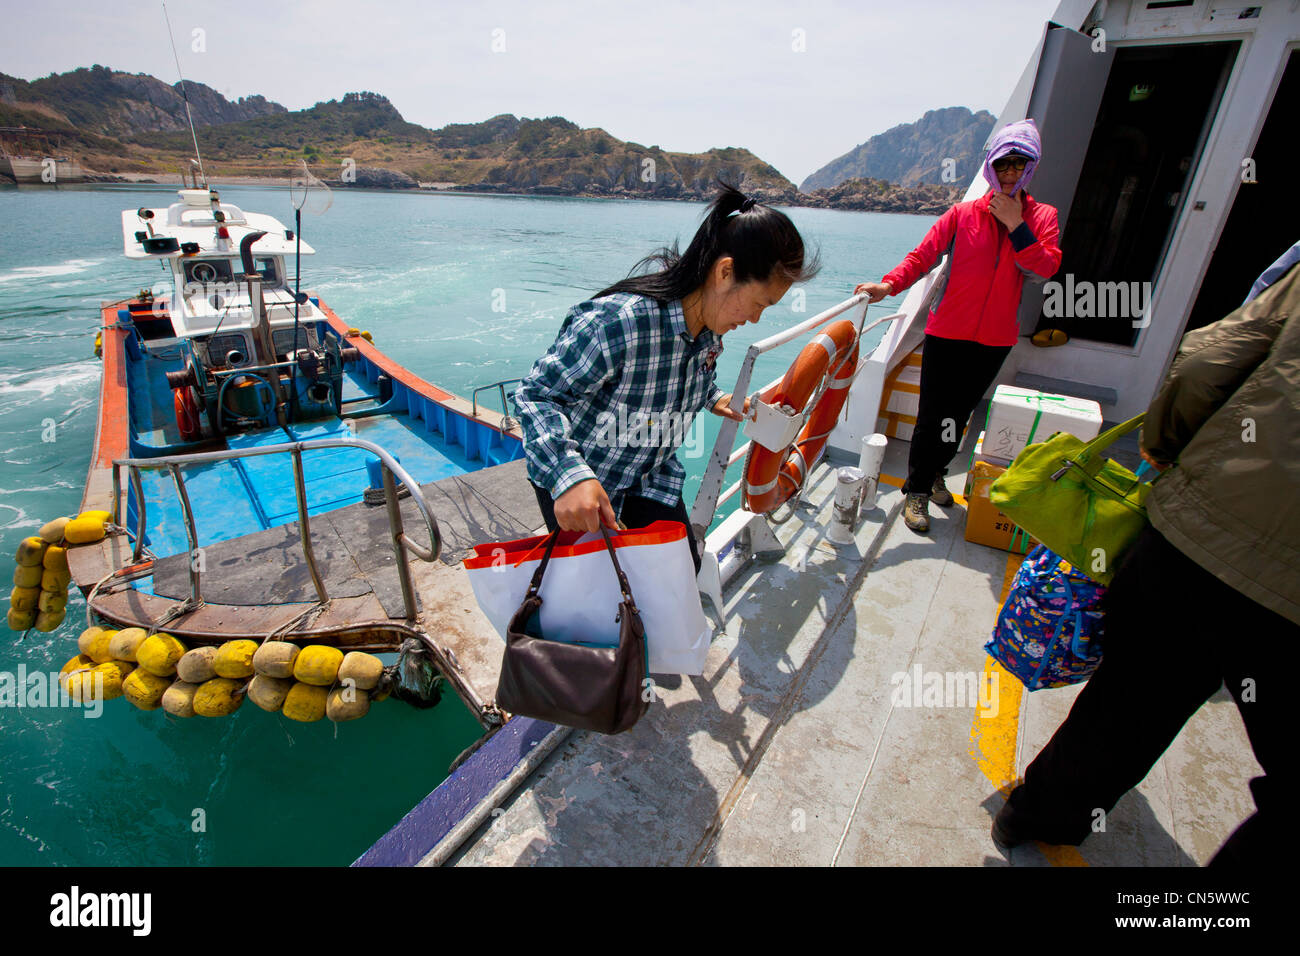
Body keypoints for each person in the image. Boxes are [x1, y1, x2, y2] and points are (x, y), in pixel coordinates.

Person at [991, 262, 1300, 867]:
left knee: (1132, 698)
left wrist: (1166, 448)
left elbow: (1210, 359)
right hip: (1284, 603)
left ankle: (1033, 816)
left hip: (1189, 541)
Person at [514, 183, 819, 572]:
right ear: (725, 272)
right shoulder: (619, 322)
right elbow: (537, 396)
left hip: (649, 474)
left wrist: (717, 399)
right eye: (759, 303)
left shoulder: (710, 331)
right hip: (586, 482)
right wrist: (568, 476)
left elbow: (685, 378)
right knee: (605, 592)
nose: (755, 319)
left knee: (681, 568)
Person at [855, 119, 1062, 533]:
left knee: (960, 414)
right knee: (932, 414)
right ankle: (916, 492)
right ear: (990, 168)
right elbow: (923, 256)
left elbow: (1045, 268)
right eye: (1002, 166)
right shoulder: (962, 214)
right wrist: (888, 285)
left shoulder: (1041, 217)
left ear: (1030, 169)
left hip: (994, 339)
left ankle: (935, 474)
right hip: (947, 332)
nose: (1008, 175)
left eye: (1017, 166)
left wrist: (1016, 226)